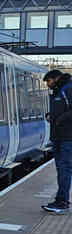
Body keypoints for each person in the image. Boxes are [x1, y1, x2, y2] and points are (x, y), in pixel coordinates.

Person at [43, 68, 72, 213]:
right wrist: (50, 115)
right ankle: (60, 200)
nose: (48, 84)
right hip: (58, 137)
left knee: (64, 169)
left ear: (56, 78)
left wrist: (59, 119)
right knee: (61, 170)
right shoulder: (58, 91)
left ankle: (63, 203)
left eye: (48, 81)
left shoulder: (68, 89)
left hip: (67, 137)